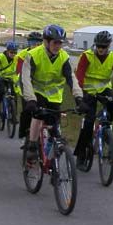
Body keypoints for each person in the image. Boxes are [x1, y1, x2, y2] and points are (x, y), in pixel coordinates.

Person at [20, 24, 85, 161]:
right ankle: (32, 145)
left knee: (54, 126)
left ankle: (53, 163)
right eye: (55, 42)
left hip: (54, 96)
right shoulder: (33, 55)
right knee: (37, 116)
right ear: (46, 42)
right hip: (36, 93)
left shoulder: (64, 57)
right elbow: (25, 79)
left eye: (60, 43)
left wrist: (79, 98)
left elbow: (71, 79)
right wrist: (31, 99)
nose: (58, 46)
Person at [73, 30, 113, 169]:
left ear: (109, 46)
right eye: (98, 46)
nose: (100, 49)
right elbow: (80, 75)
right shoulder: (86, 56)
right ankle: (81, 156)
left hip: (104, 89)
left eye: (104, 47)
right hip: (88, 91)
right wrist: (81, 93)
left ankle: (105, 129)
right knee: (88, 122)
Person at [17, 31, 44, 140]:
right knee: (27, 111)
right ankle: (24, 134)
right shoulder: (22, 55)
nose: (35, 45)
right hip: (25, 86)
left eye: (38, 43)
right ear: (28, 43)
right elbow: (19, 72)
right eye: (33, 43)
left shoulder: (43, 54)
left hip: (41, 87)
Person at [0, 41, 19, 118]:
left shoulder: (16, 58)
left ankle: (14, 115)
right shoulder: (0, 57)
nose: (13, 54)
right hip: (1, 78)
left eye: (15, 52)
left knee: (14, 96)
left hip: (11, 79)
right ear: (7, 51)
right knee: (0, 91)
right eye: (11, 52)